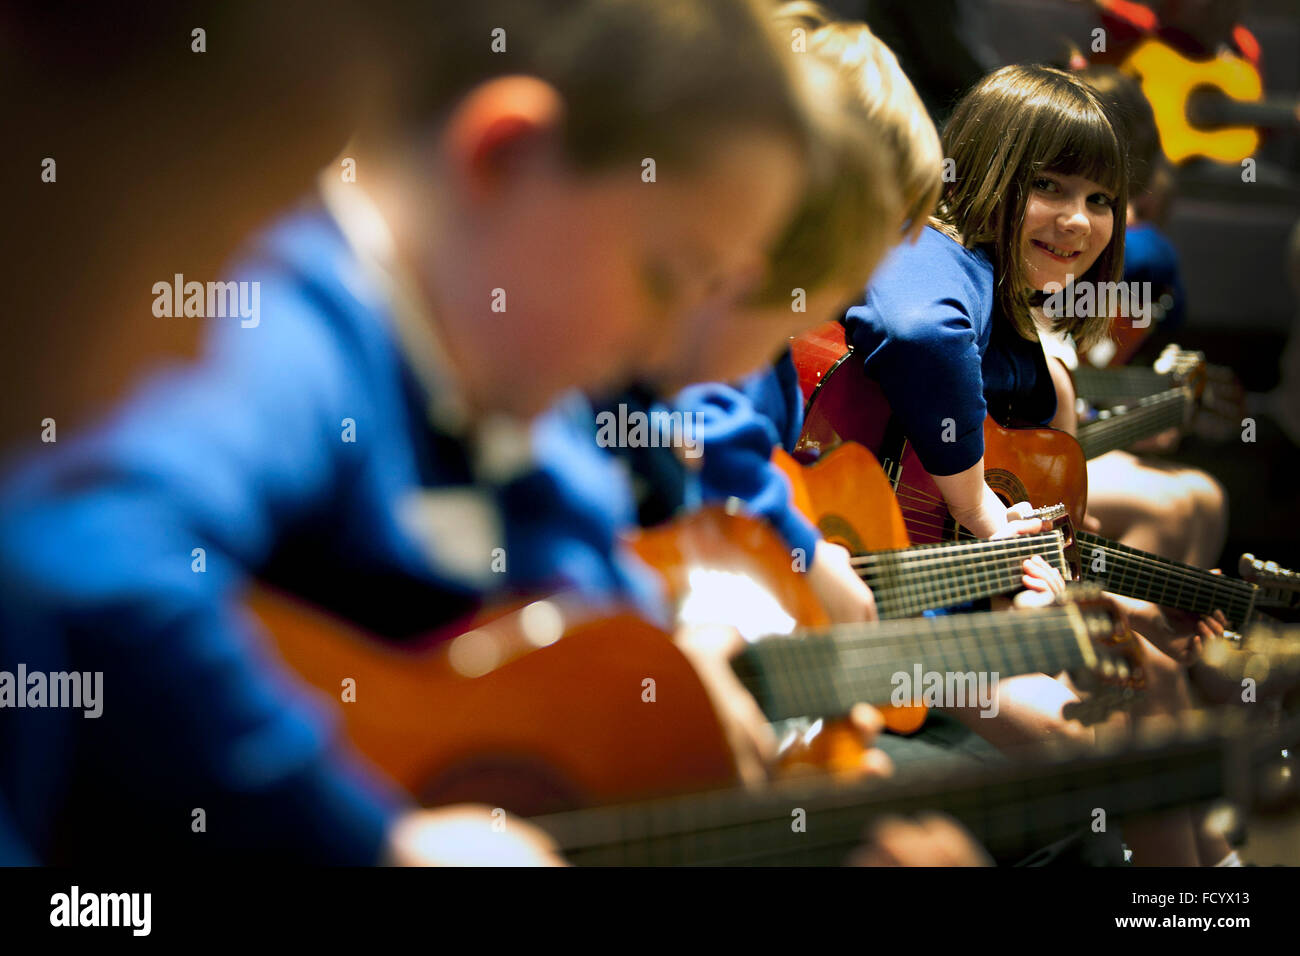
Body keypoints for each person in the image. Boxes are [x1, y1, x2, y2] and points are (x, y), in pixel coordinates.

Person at [1, 0, 889, 866]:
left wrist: (670, 662)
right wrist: (375, 842)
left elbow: (580, 551)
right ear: (502, 158)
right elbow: (88, 554)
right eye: (667, 276)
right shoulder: (291, 341)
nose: (662, 347)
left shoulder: (524, 408)